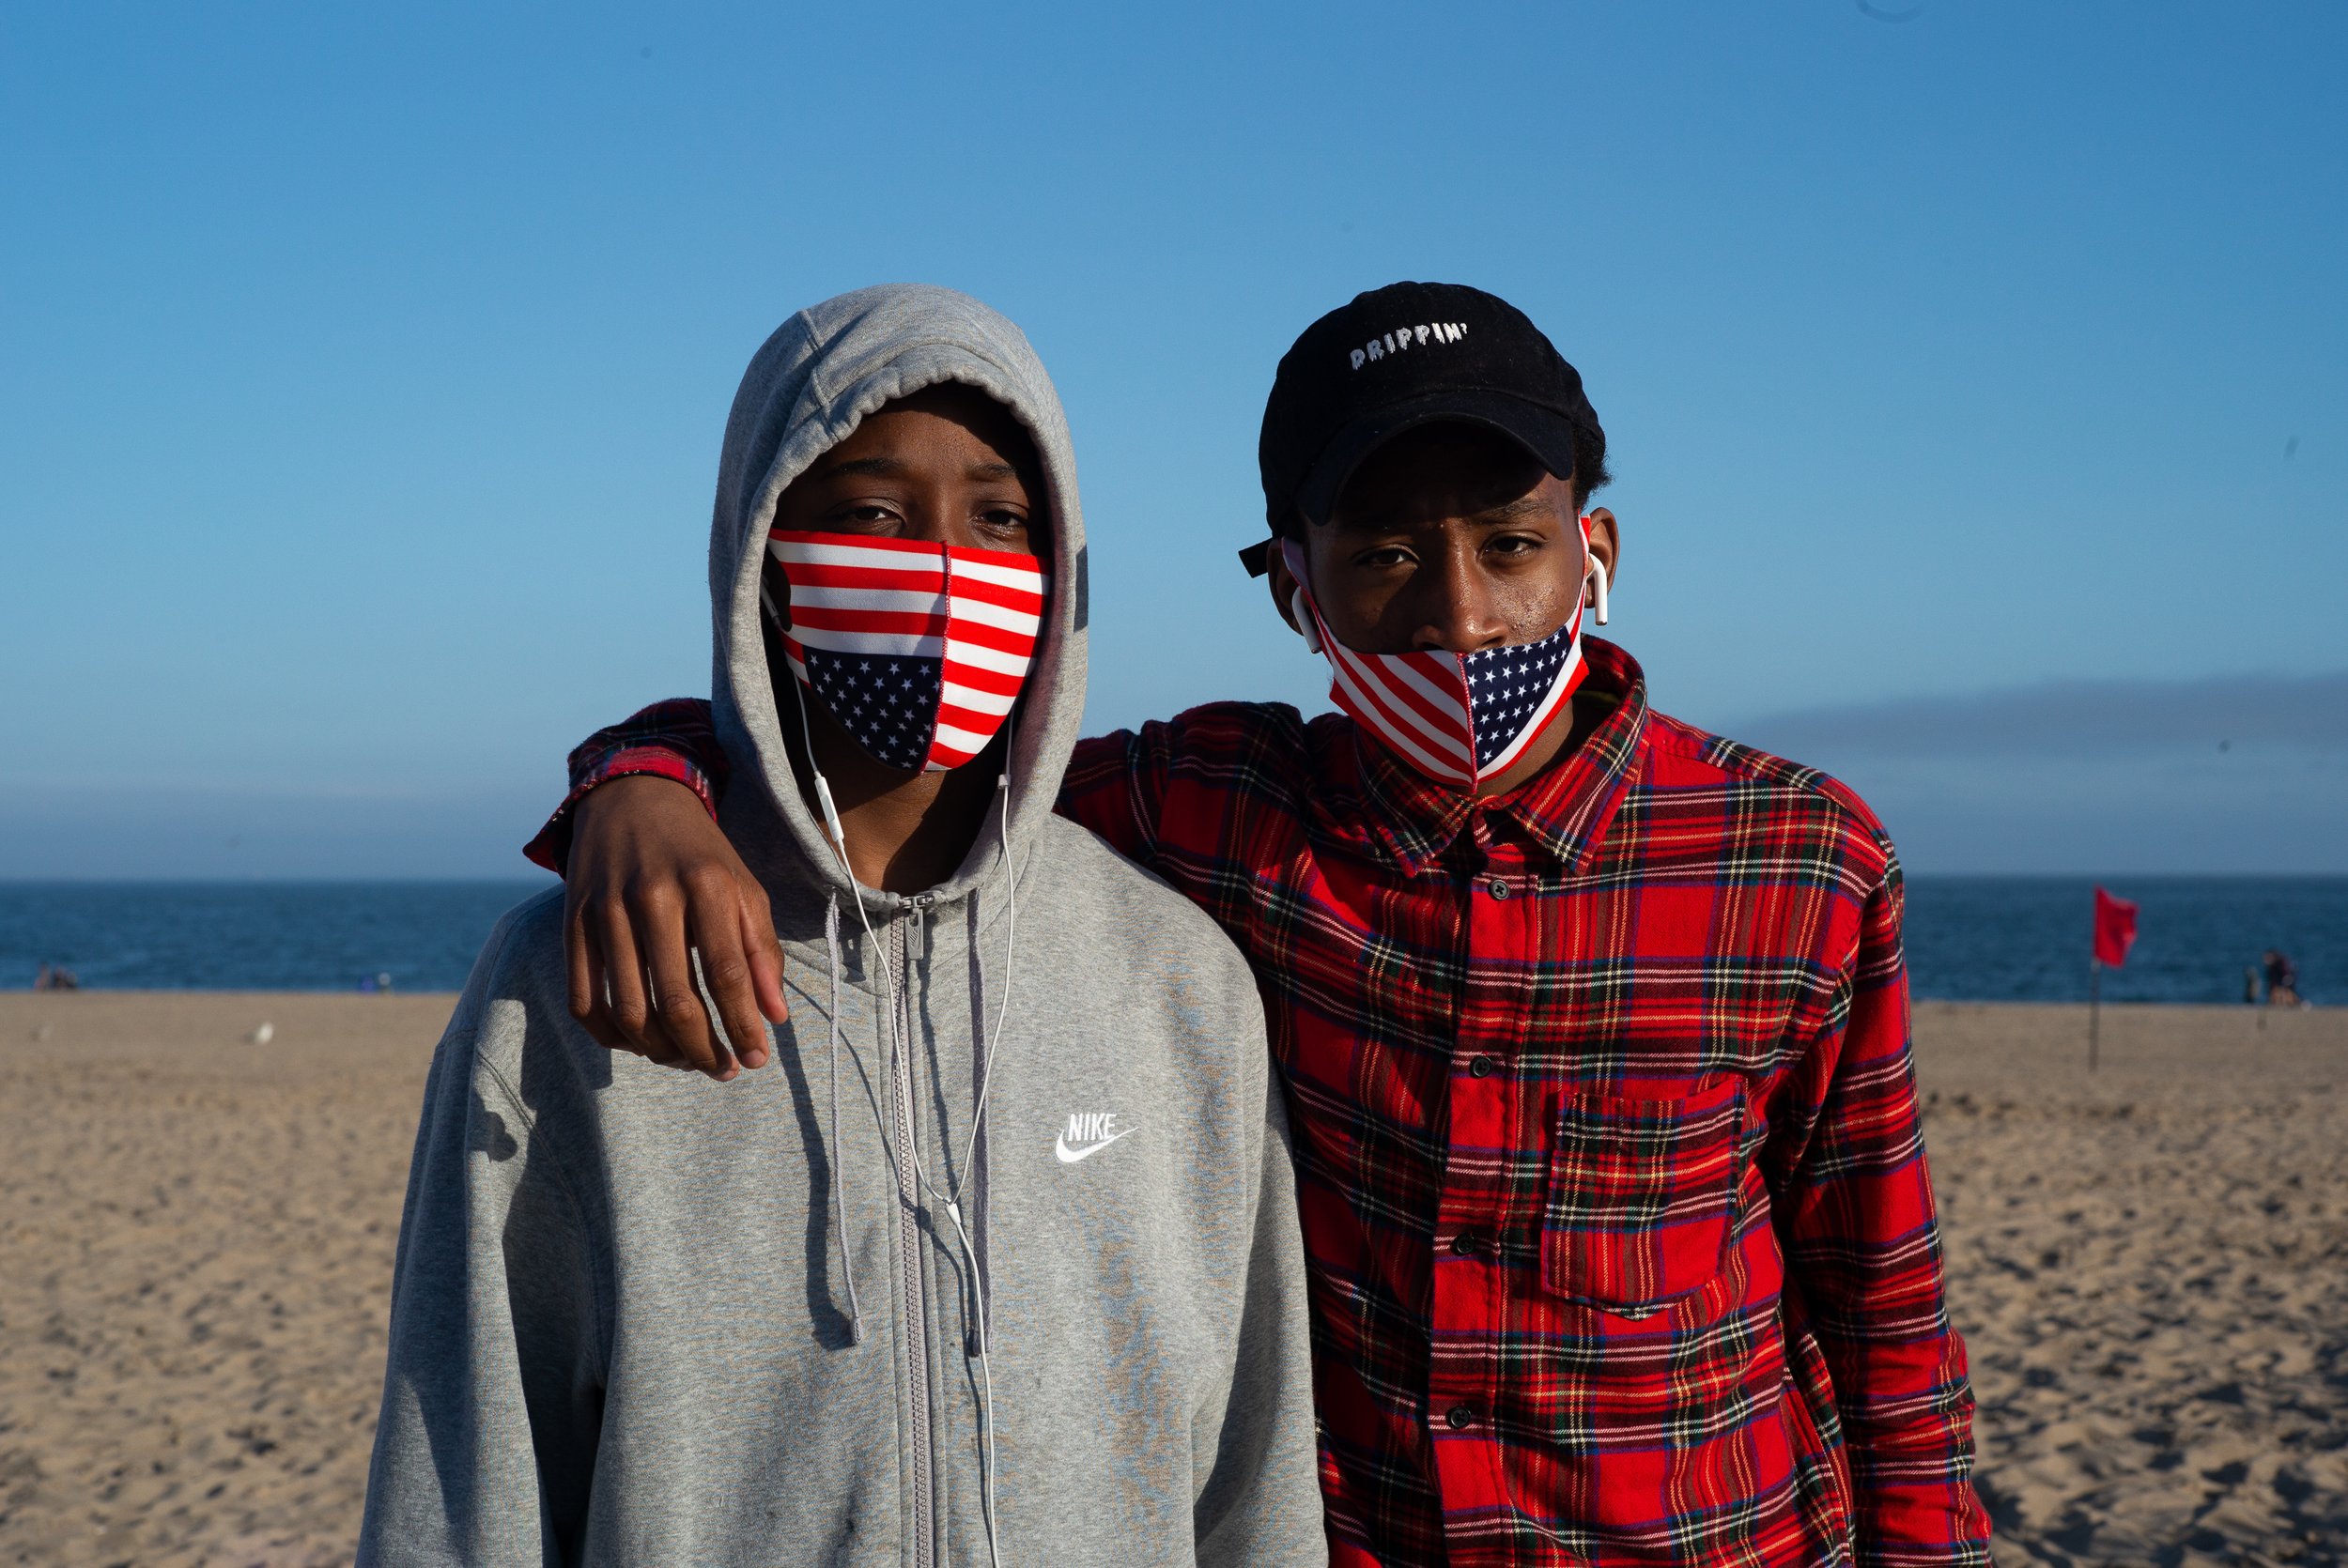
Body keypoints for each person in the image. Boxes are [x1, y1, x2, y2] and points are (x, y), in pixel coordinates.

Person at [535, 283, 1992, 1564]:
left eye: (1511, 545)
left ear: (1592, 548)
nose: (1463, 615)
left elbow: (1886, 1303)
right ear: (1297, 585)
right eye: (1387, 558)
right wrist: (649, 773)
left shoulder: (1798, 856)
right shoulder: (1224, 810)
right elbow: (930, 785)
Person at [358, 285, 1325, 1566]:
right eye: (872, 512)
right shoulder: (574, 983)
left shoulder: (1177, 983)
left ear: (1063, 568)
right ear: (760, 549)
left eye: (999, 517)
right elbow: (468, 1485)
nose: (939, 566)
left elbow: (1254, 1490)